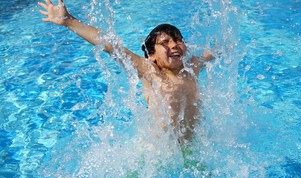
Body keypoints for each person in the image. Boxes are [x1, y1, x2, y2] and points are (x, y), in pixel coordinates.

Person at [38, 0, 215, 145]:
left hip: (191, 145)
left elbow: (213, 52)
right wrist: (69, 21)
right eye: (165, 42)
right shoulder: (150, 71)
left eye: (178, 40)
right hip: (159, 152)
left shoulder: (192, 67)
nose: (174, 45)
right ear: (152, 55)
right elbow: (111, 45)